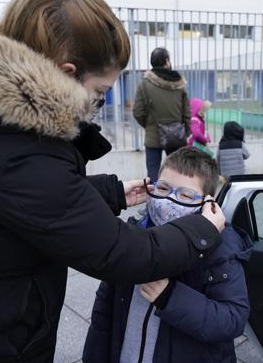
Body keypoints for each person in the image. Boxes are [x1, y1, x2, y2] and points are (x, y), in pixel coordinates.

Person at [0, 0, 225, 363]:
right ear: (66, 73)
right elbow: (122, 253)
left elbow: (21, 204)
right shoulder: (18, 151)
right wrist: (202, 230)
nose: (98, 105)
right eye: (100, 93)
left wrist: (111, 192)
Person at [83, 147, 252, 363]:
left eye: (184, 194)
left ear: (206, 203)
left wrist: (171, 298)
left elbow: (232, 319)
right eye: (163, 188)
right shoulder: (133, 238)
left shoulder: (220, 249)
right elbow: (104, 311)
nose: (169, 200)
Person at [134, 47, 190, 182]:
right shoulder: (179, 84)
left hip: (153, 137)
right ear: (167, 61)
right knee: (178, 173)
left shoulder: (145, 84)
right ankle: (177, 201)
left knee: (152, 175)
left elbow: (138, 112)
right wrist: (185, 132)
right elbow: (187, 113)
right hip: (176, 137)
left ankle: (153, 202)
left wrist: (149, 126)